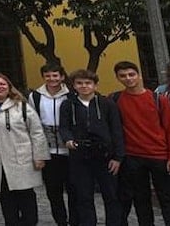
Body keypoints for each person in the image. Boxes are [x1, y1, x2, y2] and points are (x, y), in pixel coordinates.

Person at [111, 60, 170, 226]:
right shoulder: (115, 99)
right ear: (118, 78)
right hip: (132, 156)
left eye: (131, 74)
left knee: (167, 199)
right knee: (140, 199)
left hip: (160, 156)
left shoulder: (158, 99)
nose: (128, 79)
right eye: (123, 76)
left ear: (139, 75)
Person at [0, 74, 49, 226]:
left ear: (9, 87)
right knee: (6, 198)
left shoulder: (22, 106)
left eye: (2, 84)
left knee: (26, 196)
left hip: (21, 158)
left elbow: (36, 132)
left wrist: (40, 155)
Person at [59, 69, 124, 226]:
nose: (84, 86)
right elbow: (63, 126)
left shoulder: (107, 104)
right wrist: (68, 139)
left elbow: (116, 130)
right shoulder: (68, 105)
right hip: (80, 156)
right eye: (79, 83)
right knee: (84, 197)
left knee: (111, 196)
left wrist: (118, 157)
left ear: (95, 85)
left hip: (105, 155)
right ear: (73, 85)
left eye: (88, 83)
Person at [30, 64, 73, 226]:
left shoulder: (71, 94)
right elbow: (33, 122)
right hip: (48, 150)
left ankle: (75, 219)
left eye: (55, 75)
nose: (52, 79)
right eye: (48, 76)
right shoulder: (36, 96)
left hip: (69, 149)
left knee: (74, 188)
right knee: (53, 191)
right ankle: (61, 221)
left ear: (62, 77)